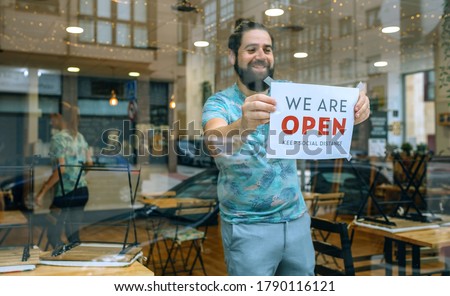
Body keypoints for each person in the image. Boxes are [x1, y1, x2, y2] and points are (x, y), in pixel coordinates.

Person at [202, 19, 370, 276]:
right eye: (251, 49)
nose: (261, 56)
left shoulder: (290, 94)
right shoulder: (220, 103)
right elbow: (214, 142)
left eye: (267, 49)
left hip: (296, 222)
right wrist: (243, 124)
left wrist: (355, 110)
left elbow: (331, 115)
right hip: (247, 228)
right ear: (232, 56)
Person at [35, 102, 93, 249]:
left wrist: (42, 192)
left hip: (66, 193)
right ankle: (76, 264)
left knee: (53, 234)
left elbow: (61, 170)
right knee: (73, 234)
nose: (50, 121)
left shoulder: (58, 139)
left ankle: (63, 261)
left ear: (59, 116)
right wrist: (78, 175)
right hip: (82, 192)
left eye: (52, 118)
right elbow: (89, 163)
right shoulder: (80, 137)